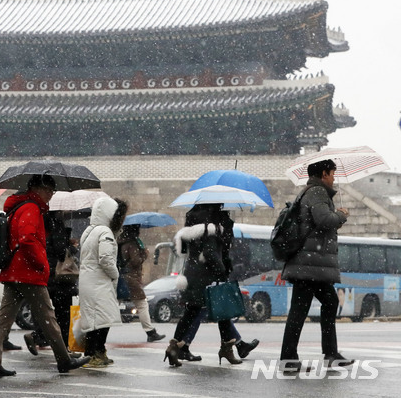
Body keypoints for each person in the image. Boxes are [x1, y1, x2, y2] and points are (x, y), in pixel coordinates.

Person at [0, 174, 90, 377]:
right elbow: (27, 238)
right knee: (48, 316)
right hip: (27, 272)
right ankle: (64, 359)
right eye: (48, 190)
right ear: (37, 189)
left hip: (14, 270)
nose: (50, 194)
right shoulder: (31, 208)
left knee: (4, 317)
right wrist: (41, 264)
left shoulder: (20, 207)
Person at [279, 159, 354, 372]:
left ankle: (329, 354)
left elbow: (318, 222)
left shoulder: (309, 192)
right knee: (301, 310)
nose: (333, 178)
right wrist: (342, 214)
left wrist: (335, 217)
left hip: (310, 264)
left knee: (327, 303)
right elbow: (323, 220)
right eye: (332, 173)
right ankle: (290, 358)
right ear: (323, 173)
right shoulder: (317, 192)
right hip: (308, 264)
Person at [165, 204, 258, 366]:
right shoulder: (211, 229)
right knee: (219, 311)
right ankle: (228, 348)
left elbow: (189, 252)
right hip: (206, 278)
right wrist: (222, 271)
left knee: (192, 313)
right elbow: (210, 253)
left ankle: (174, 347)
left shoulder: (191, 227)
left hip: (192, 276)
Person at [79, 196, 129, 368]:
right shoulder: (105, 232)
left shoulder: (89, 231)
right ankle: (95, 353)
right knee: (101, 321)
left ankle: (96, 352)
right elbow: (106, 258)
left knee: (95, 320)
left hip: (88, 280)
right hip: (99, 282)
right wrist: (115, 274)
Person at [24, 213, 78, 355]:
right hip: (59, 278)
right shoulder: (57, 225)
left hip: (45, 274)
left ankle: (38, 335)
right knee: (63, 314)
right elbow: (60, 251)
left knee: (46, 312)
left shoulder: (39, 222)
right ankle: (64, 349)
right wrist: (71, 247)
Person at [117, 224, 165, 343]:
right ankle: (150, 332)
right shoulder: (132, 243)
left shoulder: (121, 242)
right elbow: (136, 261)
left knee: (116, 303)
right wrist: (145, 253)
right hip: (132, 278)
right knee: (142, 304)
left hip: (124, 276)